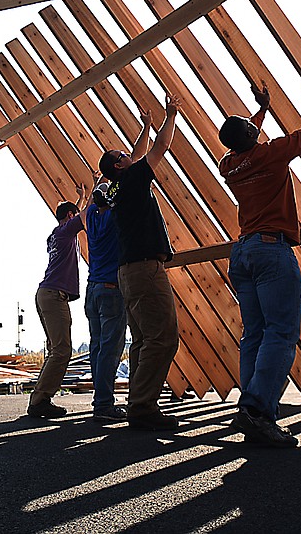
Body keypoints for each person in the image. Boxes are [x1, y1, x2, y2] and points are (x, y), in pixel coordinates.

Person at [218, 74, 301, 448]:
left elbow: (243, 142)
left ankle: (247, 408)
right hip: (270, 250)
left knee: (255, 334)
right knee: (281, 332)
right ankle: (259, 410)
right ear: (252, 137)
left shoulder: (227, 165)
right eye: (254, 128)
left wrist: (261, 111)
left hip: (242, 253)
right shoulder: (270, 153)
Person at [97, 98, 181, 431]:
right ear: (120, 166)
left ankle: (138, 404)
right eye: (123, 155)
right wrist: (169, 117)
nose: (129, 155)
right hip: (145, 269)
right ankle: (144, 407)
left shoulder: (118, 185)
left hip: (127, 271)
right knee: (163, 339)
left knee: (144, 341)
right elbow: (160, 148)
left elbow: (136, 153)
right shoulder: (130, 179)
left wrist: (144, 126)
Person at [28, 184, 89, 418]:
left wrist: (81, 197)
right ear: (70, 217)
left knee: (56, 349)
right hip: (54, 295)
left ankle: (40, 398)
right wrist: (95, 187)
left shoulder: (56, 234)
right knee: (62, 350)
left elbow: (78, 213)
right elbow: (84, 216)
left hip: (46, 293)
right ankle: (41, 399)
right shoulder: (65, 232)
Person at [83, 178, 128, 423]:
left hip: (93, 290)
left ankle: (100, 400)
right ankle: (103, 404)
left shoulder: (91, 217)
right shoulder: (113, 218)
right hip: (111, 289)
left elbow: (93, 200)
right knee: (110, 350)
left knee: (97, 348)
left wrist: (100, 181)